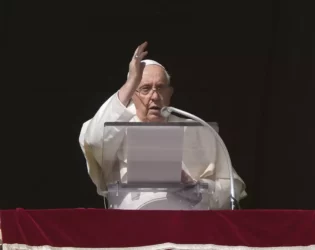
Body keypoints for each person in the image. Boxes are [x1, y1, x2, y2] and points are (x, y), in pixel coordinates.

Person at [79, 42, 247, 209]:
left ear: (170, 93)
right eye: (145, 88)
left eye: (160, 88)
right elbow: (95, 140)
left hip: (186, 229)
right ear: (132, 94)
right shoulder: (115, 127)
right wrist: (131, 81)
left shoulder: (199, 130)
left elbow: (233, 188)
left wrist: (197, 188)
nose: (154, 96)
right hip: (132, 227)